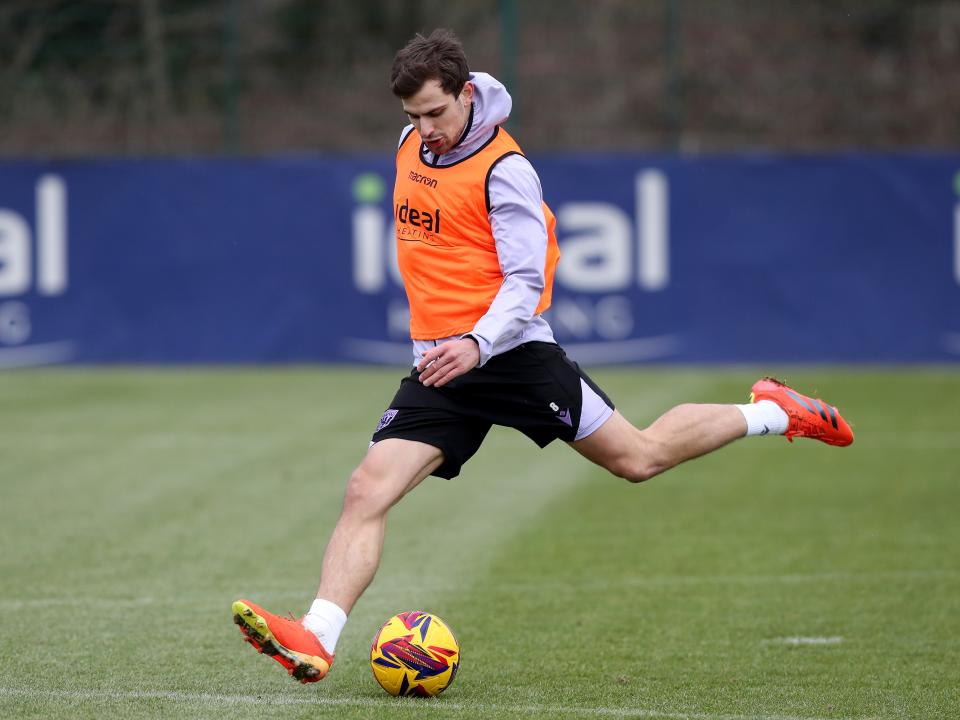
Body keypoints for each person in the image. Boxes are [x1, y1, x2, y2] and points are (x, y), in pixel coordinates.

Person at [231, 28, 853, 684]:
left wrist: (477, 343)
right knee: (367, 488)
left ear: (466, 94)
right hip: (442, 367)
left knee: (639, 458)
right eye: (412, 116)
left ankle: (772, 411)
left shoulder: (506, 171)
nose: (425, 129)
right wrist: (452, 348)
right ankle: (318, 638)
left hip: (512, 358)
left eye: (435, 112)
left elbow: (526, 283)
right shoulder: (411, 142)